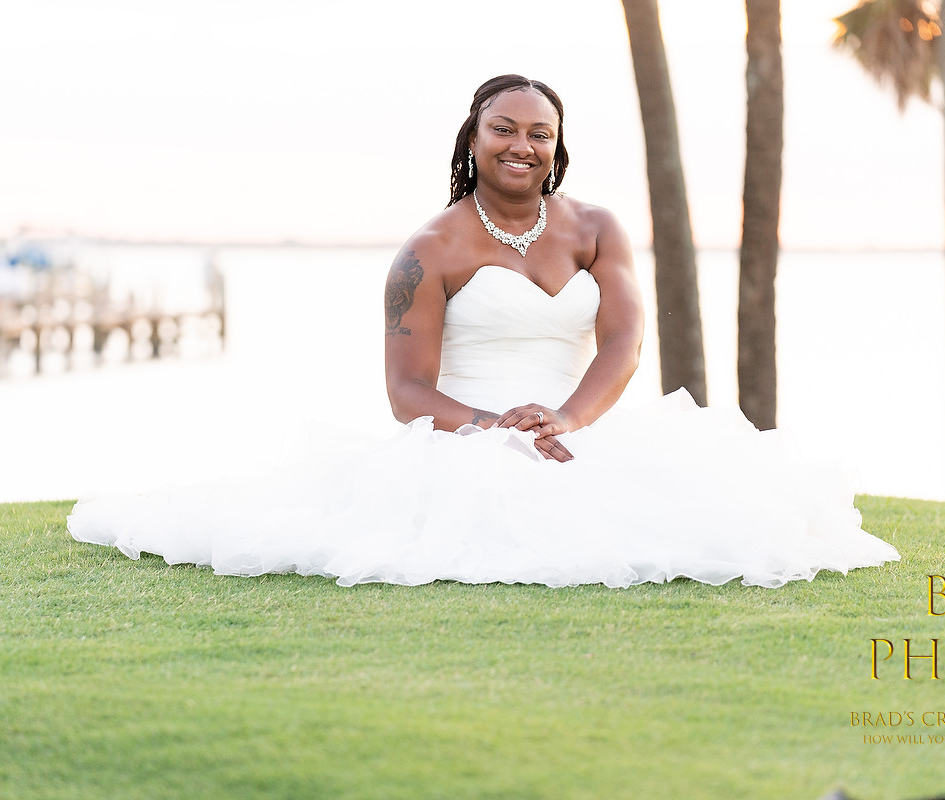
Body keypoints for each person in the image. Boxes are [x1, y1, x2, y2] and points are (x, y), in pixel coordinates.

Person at [68, 74, 900, 588]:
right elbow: (406, 392)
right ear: (473, 138)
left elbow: (623, 343)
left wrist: (565, 419)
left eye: (540, 133)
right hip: (462, 436)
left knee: (721, 522)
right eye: (504, 128)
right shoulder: (428, 250)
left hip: (580, 426)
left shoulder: (597, 228)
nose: (522, 146)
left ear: (557, 148)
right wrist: (494, 426)